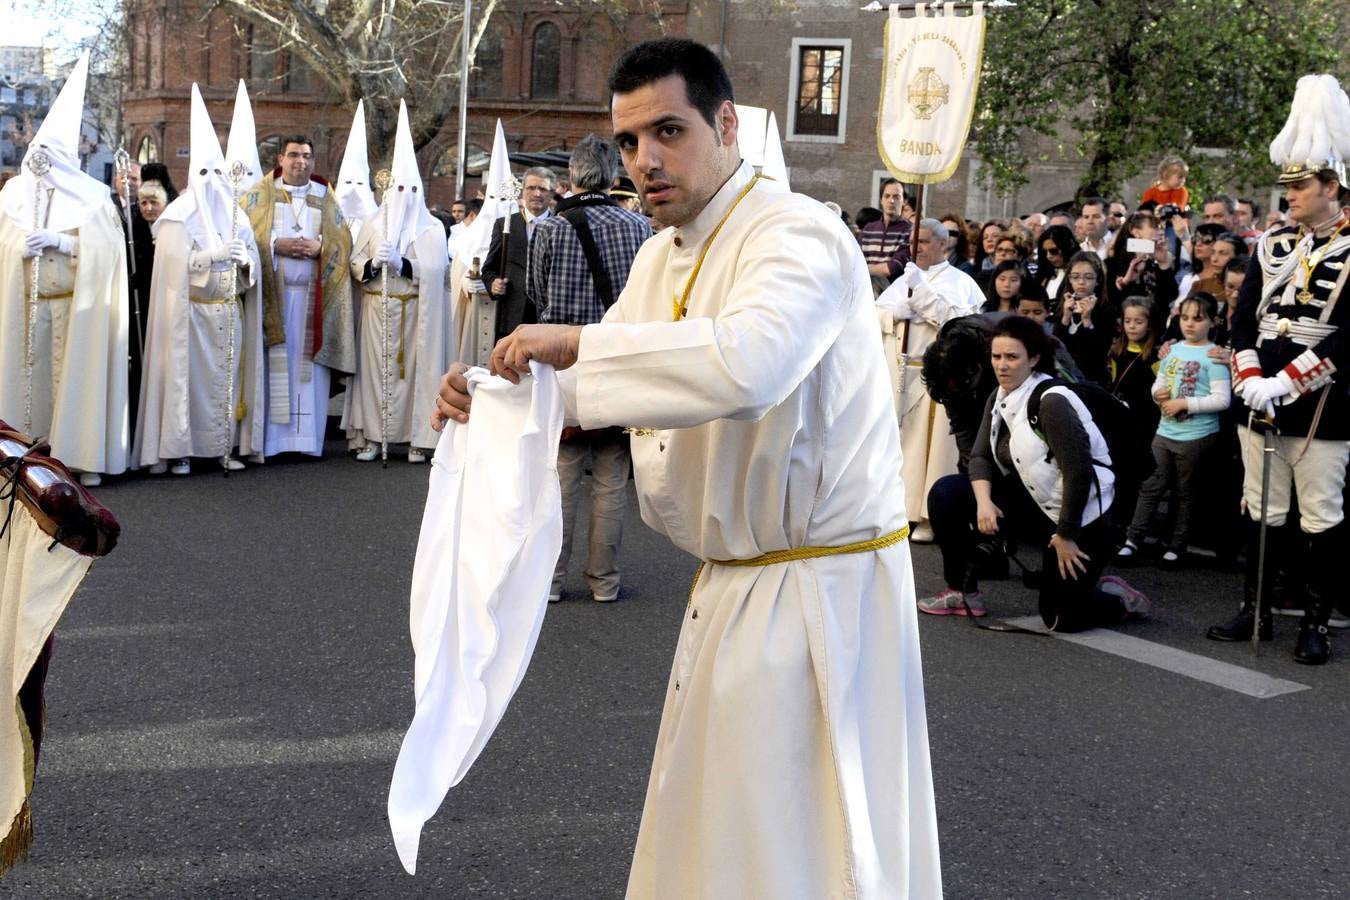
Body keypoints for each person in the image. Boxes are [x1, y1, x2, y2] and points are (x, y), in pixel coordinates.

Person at [433, 36, 940, 897]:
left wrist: (579, 339)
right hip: (735, 587)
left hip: (817, 594)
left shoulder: (798, 234)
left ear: (727, 122)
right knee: (715, 827)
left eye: (669, 130)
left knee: (797, 842)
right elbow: (597, 384)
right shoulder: (660, 253)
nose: (646, 160)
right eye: (630, 141)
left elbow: (746, 366)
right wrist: (491, 393)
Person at [1206, 74, 1350, 665]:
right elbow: (1242, 320)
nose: (1289, 194)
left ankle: (1314, 621)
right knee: (1260, 507)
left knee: (1319, 514)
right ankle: (1255, 609)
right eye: (1286, 184)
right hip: (1257, 393)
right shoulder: (1270, 245)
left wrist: (1286, 382)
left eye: (1301, 184)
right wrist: (1249, 378)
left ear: (1333, 186)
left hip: (1324, 399)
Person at [920, 316, 1150, 623]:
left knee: (1060, 617)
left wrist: (1065, 535)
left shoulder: (1051, 402)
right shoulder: (997, 395)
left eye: (1012, 357)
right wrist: (984, 502)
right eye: (997, 357)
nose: (1002, 365)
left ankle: (1114, 596)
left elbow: (1078, 474)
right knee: (947, 493)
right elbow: (978, 457)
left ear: (1034, 359)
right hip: (1034, 495)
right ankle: (962, 592)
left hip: (1081, 512)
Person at [528, 134, 651, 603]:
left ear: (572, 177)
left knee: (561, 474)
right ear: (615, 176)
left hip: (564, 364)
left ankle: (552, 582)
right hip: (616, 360)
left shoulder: (550, 229)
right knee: (611, 477)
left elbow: (537, 295)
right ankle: (604, 581)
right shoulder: (637, 228)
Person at [0, 51, 128, 486]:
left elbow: (110, 253)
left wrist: (62, 241)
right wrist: (20, 245)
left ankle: (80, 455)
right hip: (28, 306)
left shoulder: (92, 197)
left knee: (78, 380)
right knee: (29, 379)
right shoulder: (14, 195)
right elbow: (3, 243)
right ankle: (27, 452)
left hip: (76, 307)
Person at [134, 84, 265, 475]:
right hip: (191, 316)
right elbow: (174, 264)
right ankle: (182, 449)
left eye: (216, 172)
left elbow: (252, 268)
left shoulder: (237, 216)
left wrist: (245, 263)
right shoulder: (178, 215)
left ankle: (224, 446)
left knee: (227, 383)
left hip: (229, 313)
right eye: (203, 172)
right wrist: (213, 256)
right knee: (188, 385)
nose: (211, 181)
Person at [345, 101, 450, 464]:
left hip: (413, 313)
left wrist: (403, 263)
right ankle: (373, 437)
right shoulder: (374, 225)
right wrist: (374, 264)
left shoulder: (431, 227)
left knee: (412, 378)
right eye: (398, 188)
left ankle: (417, 439)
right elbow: (355, 263)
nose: (404, 196)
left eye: (410, 188)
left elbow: (438, 271)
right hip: (377, 312)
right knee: (376, 378)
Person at [240, 131, 355, 459]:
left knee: (309, 373)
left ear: (313, 160)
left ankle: (307, 442)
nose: (300, 161)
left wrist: (322, 247)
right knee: (274, 368)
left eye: (306, 156)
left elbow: (343, 243)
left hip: (311, 302)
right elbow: (247, 237)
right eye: (293, 155)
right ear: (280, 159)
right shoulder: (258, 197)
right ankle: (273, 443)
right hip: (273, 301)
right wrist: (276, 245)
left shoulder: (325, 195)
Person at [876, 218, 984, 541]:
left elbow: (960, 322)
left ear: (943, 243)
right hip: (897, 373)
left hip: (934, 375)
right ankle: (899, 510)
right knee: (900, 446)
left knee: (933, 448)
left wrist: (923, 296)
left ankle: (929, 516)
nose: (916, 248)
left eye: (923, 241)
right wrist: (893, 314)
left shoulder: (960, 281)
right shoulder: (903, 279)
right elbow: (869, 315)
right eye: (912, 242)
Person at [1119, 292, 1231, 564]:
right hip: (1165, 431)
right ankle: (1133, 539)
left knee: (1185, 491)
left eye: (1198, 318)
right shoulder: (1173, 349)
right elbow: (1160, 381)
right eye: (1185, 317)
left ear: (1213, 321)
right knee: (1152, 484)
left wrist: (1185, 403)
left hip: (1196, 435)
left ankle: (1177, 545)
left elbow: (1222, 399)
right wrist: (1158, 394)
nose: (1190, 324)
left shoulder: (1214, 356)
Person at [477, 166, 556, 344]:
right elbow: (489, 269)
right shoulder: (505, 225)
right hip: (512, 314)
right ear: (522, 192)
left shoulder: (562, 225)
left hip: (549, 315)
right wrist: (493, 283)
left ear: (551, 194)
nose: (537, 193)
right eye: (531, 188)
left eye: (542, 189)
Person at [1053, 251, 1114, 384]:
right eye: (1075, 277)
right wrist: (1065, 318)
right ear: (1069, 279)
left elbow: (1099, 352)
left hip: (1093, 379)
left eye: (1088, 277)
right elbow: (1056, 346)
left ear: (1098, 280)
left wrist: (1087, 321)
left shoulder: (1106, 309)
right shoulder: (1063, 306)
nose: (1081, 282)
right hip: (1064, 378)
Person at [857, 177, 913, 293]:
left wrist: (862, 270)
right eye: (887, 196)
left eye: (896, 197)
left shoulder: (910, 231)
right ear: (881, 200)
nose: (891, 201)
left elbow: (893, 268)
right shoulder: (868, 229)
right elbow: (855, 260)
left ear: (904, 201)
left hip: (894, 297)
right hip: (864, 294)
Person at [1035, 224, 1080, 298]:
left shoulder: (1080, 273)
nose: (1048, 256)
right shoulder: (1044, 274)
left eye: (1053, 251)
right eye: (1045, 252)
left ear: (1066, 247)